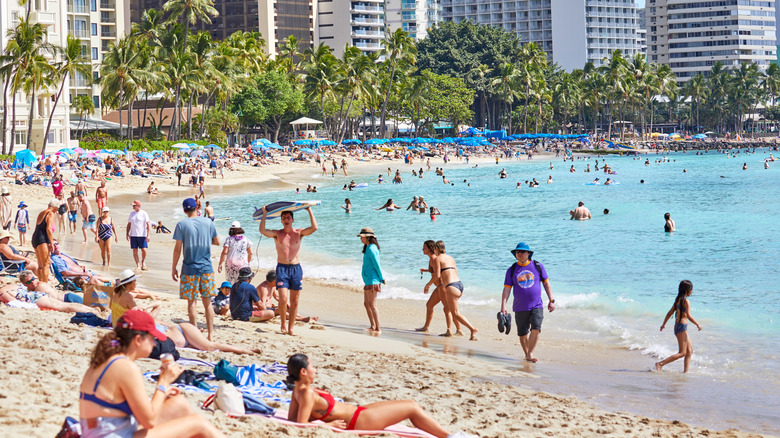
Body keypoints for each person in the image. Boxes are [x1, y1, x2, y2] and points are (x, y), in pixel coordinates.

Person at [78, 309, 224, 438]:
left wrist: (162, 393)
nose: (155, 344)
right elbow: (149, 421)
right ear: (137, 340)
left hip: (102, 431)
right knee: (198, 424)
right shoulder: (125, 367)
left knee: (179, 404)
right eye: (152, 338)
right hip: (112, 434)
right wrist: (163, 383)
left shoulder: (108, 359)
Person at [286, 354, 468, 438]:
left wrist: (321, 420)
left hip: (359, 413)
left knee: (410, 403)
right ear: (303, 371)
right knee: (411, 408)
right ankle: (449, 437)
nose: (315, 370)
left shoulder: (298, 391)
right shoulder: (307, 393)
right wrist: (330, 426)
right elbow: (301, 425)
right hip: (358, 420)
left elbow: (292, 418)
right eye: (312, 367)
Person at [258, 206, 318, 335]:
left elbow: (314, 228)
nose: (286, 220)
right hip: (282, 269)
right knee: (283, 299)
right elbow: (262, 230)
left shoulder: (299, 233)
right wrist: (264, 214)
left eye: (288, 218)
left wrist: (309, 210)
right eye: (284, 218)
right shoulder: (277, 234)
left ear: (292, 220)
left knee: (295, 301)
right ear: (281, 220)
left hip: (296, 269)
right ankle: (283, 325)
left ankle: (291, 328)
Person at [172, 198, 219, 341]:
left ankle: (196, 334)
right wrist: (204, 240)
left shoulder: (181, 224)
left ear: (184, 210)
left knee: (191, 303)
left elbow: (177, 248)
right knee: (208, 302)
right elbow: (217, 242)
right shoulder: (208, 222)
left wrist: (173, 267)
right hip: (206, 267)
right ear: (196, 208)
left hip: (189, 268)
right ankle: (210, 335)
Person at [500, 242, 555, 363]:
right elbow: (507, 289)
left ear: (528, 253)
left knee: (536, 328)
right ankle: (527, 354)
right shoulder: (512, 270)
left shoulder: (537, 266)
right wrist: (503, 306)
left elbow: (546, 284)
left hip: (537, 305)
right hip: (520, 307)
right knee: (522, 334)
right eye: (517, 252)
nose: (519, 254)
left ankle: (530, 353)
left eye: (522, 251)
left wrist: (551, 300)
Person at [431, 241, 478, 341]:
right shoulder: (450, 258)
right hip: (459, 285)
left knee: (455, 313)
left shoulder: (437, 258)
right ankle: (449, 331)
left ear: (436, 249)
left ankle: (472, 329)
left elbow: (438, 275)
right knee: (449, 309)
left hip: (451, 287)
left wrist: (428, 284)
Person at [415, 241, 461, 335]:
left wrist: (428, 284)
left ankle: (455, 330)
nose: (422, 249)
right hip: (439, 287)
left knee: (448, 309)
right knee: (430, 305)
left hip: (442, 287)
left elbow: (437, 274)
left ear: (430, 248)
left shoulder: (433, 258)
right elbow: (437, 270)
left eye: (424, 247)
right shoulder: (432, 258)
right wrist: (426, 270)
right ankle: (426, 327)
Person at [655, 280, 702, 373]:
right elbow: (689, 316)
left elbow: (669, 313)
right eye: (691, 289)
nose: (692, 292)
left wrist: (663, 324)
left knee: (689, 350)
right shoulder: (686, 301)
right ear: (687, 290)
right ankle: (660, 364)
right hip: (682, 328)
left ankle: (685, 372)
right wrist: (697, 324)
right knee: (682, 353)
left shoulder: (678, 300)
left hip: (677, 327)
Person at [11, 270, 101, 316]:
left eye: (33, 279)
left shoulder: (39, 287)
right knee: (93, 306)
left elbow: (48, 300)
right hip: (67, 299)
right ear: (24, 284)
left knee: (97, 306)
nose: (33, 282)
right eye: (29, 282)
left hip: (67, 298)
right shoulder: (33, 289)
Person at [358, 228, 384, 333]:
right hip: (368, 280)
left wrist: (381, 278)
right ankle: (372, 326)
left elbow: (377, 264)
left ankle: (378, 328)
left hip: (373, 280)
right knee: (366, 303)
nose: (361, 239)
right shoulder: (368, 248)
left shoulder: (372, 249)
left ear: (367, 237)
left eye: (361, 237)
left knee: (372, 305)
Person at [32, 199, 58, 282]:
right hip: (42, 239)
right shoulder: (50, 213)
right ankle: (44, 284)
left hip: (35, 237)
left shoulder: (42, 212)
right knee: (46, 264)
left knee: (40, 264)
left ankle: (41, 282)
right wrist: (51, 243)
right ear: (55, 208)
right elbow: (49, 229)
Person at [127, 200, 151, 271]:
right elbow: (129, 224)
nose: (133, 206)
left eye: (134, 205)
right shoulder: (132, 214)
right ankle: (138, 265)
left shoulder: (144, 213)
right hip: (133, 235)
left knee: (143, 250)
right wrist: (127, 234)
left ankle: (143, 262)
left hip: (142, 235)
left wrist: (148, 235)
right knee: (135, 251)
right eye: (133, 205)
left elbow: (148, 224)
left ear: (138, 206)